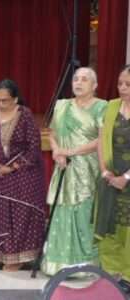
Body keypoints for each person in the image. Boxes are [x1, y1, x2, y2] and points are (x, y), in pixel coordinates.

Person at [0, 79, 47, 271]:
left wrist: (10, 168)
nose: (1, 104)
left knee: (15, 211)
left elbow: (33, 148)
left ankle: (16, 257)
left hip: (21, 173)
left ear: (15, 99)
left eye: (5, 100)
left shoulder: (25, 115)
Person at [40, 67, 106, 275]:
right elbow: (52, 133)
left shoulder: (102, 107)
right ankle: (58, 264)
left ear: (94, 86)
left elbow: (101, 140)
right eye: (76, 79)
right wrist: (57, 151)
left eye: (84, 80)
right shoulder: (62, 106)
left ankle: (84, 266)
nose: (78, 83)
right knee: (61, 213)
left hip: (87, 170)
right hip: (64, 167)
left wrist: (72, 151)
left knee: (83, 215)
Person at [96, 65, 130, 277]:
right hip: (110, 177)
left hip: (127, 179)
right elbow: (101, 141)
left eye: (128, 84)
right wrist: (106, 173)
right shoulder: (110, 107)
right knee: (110, 226)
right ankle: (112, 273)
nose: (123, 88)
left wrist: (126, 177)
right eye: (120, 83)